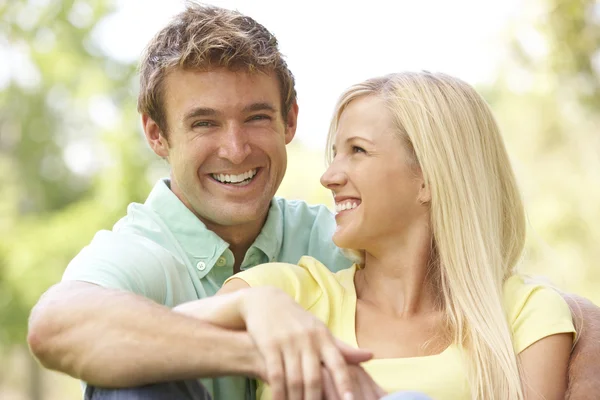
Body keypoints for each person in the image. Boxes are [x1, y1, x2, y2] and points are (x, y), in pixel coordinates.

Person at [26, 3, 600, 400]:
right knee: (132, 380)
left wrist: (577, 327)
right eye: (204, 124)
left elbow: (464, 272)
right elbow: (55, 326)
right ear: (156, 135)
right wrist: (258, 331)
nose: (234, 147)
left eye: (256, 117)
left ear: (288, 121)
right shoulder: (151, 254)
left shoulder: (336, 238)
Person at [172, 71, 578, 400]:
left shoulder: (525, 313)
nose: (329, 177)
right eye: (335, 153)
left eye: (358, 151)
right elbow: (163, 338)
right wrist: (254, 305)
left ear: (428, 179)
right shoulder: (288, 293)